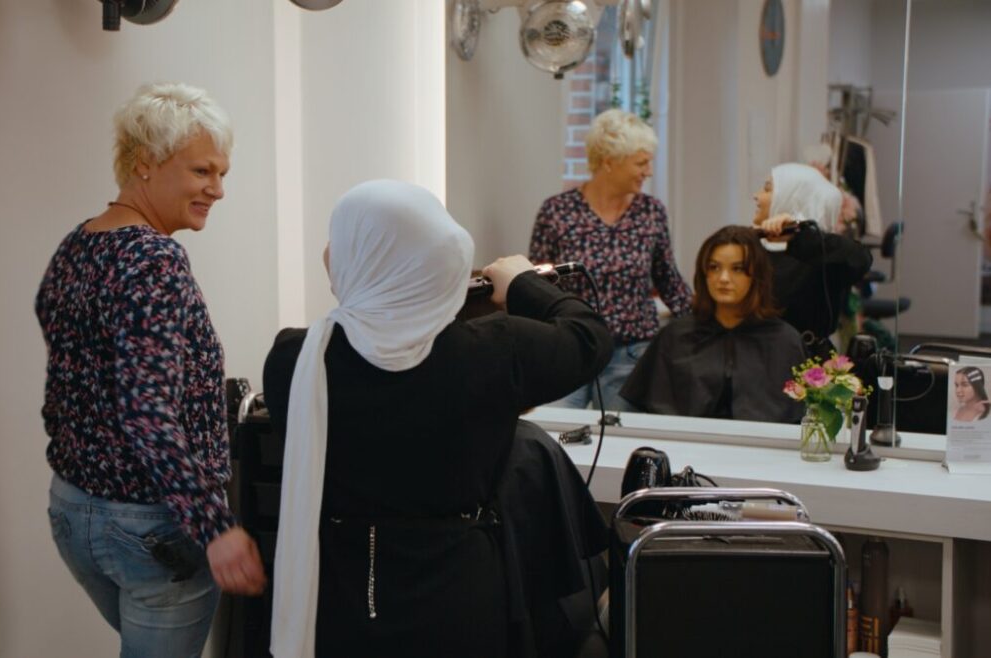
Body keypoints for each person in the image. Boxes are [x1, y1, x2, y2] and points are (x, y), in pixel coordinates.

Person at [262, 180, 613, 658]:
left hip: (346, 586)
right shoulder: (495, 352)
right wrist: (524, 283)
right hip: (460, 586)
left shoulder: (294, 360)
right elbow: (589, 336)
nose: (328, 253)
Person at [36, 82, 266, 658]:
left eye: (223, 173)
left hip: (73, 512)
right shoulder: (153, 259)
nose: (217, 189)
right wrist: (217, 526)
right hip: (149, 529)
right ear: (144, 164)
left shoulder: (78, 243)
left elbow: (74, 386)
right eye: (201, 172)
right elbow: (147, 412)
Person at [529, 108, 691, 411]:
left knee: (623, 445)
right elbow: (536, 284)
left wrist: (704, 326)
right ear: (609, 162)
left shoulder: (651, 212)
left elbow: (668, 280)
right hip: (568, 350)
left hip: (631, 356)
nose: (649, 171)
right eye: (641, 163)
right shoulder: (557, 212)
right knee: (552, 432)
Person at [621, 226, 805, 423]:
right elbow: (641, 408)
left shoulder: (783, 342)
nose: (723, 278)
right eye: (714, 267)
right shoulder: (675, 336)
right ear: (704, 273)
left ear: (756, 276)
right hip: (683, 447)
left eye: (737, 269)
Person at [753, 163, 873, 360]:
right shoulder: (753, 248)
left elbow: (860, 259)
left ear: (793, 198)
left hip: (805, 366)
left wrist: (798, 234)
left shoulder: (821, 254)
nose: (757, 196)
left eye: (767, 189)